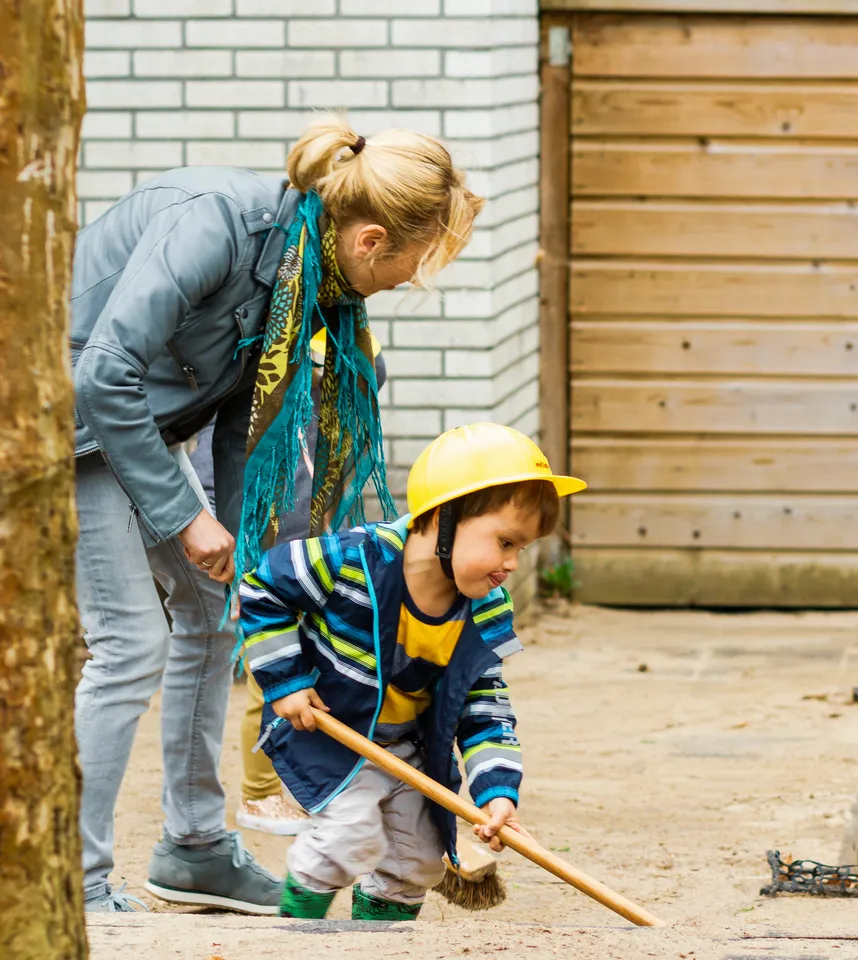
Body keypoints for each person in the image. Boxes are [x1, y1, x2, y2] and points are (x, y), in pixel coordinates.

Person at [70, 114, 484, 913]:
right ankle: (75, 879)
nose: (406, 281)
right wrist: (184, 517)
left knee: (216, 617)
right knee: (130, 643)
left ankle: (193, 851)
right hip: (76, 423)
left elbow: (241, 418)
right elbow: (104, 374)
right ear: (368, 241)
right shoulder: (214, 223)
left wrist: (246, 548)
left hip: (149, 430)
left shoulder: (299, 277)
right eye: (410, 262)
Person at [236, 424, 586, 920]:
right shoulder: (352, 559)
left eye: (520, 549)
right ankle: (297, 936)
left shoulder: (484, 610)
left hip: (407, 748)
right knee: (347, 835)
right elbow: (261, 587)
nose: (511, 563)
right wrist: (286, 682)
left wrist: (497, 791)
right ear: (445, 518)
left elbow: (485, 708)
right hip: (332, 734)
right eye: (506, 541)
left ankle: (379, 944)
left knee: (418, 861)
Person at [190, 329, 387, 836]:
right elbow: (211, 481)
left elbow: (326, 496)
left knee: (311, 674)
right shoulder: (251, 413)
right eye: (324, 376)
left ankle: (306, 786)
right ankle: (258, 797)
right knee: (269, 678)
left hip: (306, 565)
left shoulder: (325, 421)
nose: (332, 389)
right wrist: (237, 564)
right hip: (259, 569)